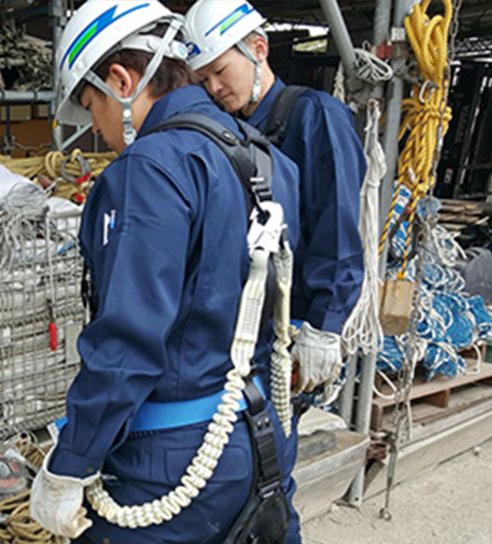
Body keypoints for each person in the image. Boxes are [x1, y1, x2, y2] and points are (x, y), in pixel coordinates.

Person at [29, 1, 301, 542]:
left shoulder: (149, 171)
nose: (100, 131)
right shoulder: (267, 160)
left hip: (174, 453)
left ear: (121, 80)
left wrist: (72, 462)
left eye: (92, 107)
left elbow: (127, 343)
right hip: (261, 434)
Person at [184, 2, 367, 541]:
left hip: (291, 328)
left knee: (267, 474)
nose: (215, 87)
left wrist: (325, 327)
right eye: (203, 78)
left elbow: (337, 223)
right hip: (242, 331)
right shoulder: (228, 130)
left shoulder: (312, 117)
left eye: (221, 71)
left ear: (258, 50)